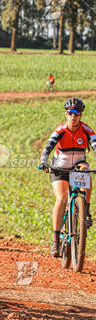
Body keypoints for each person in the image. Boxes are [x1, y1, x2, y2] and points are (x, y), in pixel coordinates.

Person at [39, 98, 96, 257]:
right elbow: (47, 147)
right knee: (62, 198)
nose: (73, 117)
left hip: (78, 164)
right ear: (66, 114)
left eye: (77, 114)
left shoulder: (87, 130)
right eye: (71, 113)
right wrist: (43, 161)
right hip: (60, 168)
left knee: (86, 171)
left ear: (81, 115)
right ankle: (55, 240)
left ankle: (86, 213)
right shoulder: (60, 130)